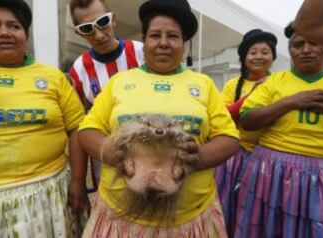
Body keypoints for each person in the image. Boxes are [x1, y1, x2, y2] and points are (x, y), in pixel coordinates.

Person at [77, 0, 240, 236]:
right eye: (155, 35)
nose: (163, 43)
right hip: (120, 218)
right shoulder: (120, 82)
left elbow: (229, 138)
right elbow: (87, 129)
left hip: (189, 219)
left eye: (172, 36)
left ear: (184, 43)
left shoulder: (202, 84)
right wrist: (111, 152)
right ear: (145, 42)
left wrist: (197, 158)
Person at [0, 0, 88, 236]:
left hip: (49, 193)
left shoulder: (52, 77)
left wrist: (78, 182)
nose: (4, 32)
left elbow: (77, 128)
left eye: (13, 26)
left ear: (25, 35)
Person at [234, 25, 323, 237]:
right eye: (298, 45)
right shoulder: (273, 82)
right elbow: (247, 119)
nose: (306, 50)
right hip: (271, 171)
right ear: (290, 51)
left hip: (321, 175)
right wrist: (290, 102)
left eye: (314, 43)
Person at [69, 0, 144, 189]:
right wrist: (78, 181)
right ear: (78, 32)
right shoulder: (79, 70)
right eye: (87, 29)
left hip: (148, 150)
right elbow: (82, 126)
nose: (98, 35)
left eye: (102, 22)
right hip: (107, 160)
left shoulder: (141, 52)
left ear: (113, 19)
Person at [215, 29, 277, 236]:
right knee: (228, 203)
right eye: (253, 52)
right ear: (244, 57)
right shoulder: (233, 85)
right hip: (234, 156)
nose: (259, 56)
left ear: (273, 57)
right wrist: (252, 94)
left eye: (265, 52)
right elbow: (224, 115)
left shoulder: (279, 83)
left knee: (254, 210)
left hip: (266, 160)